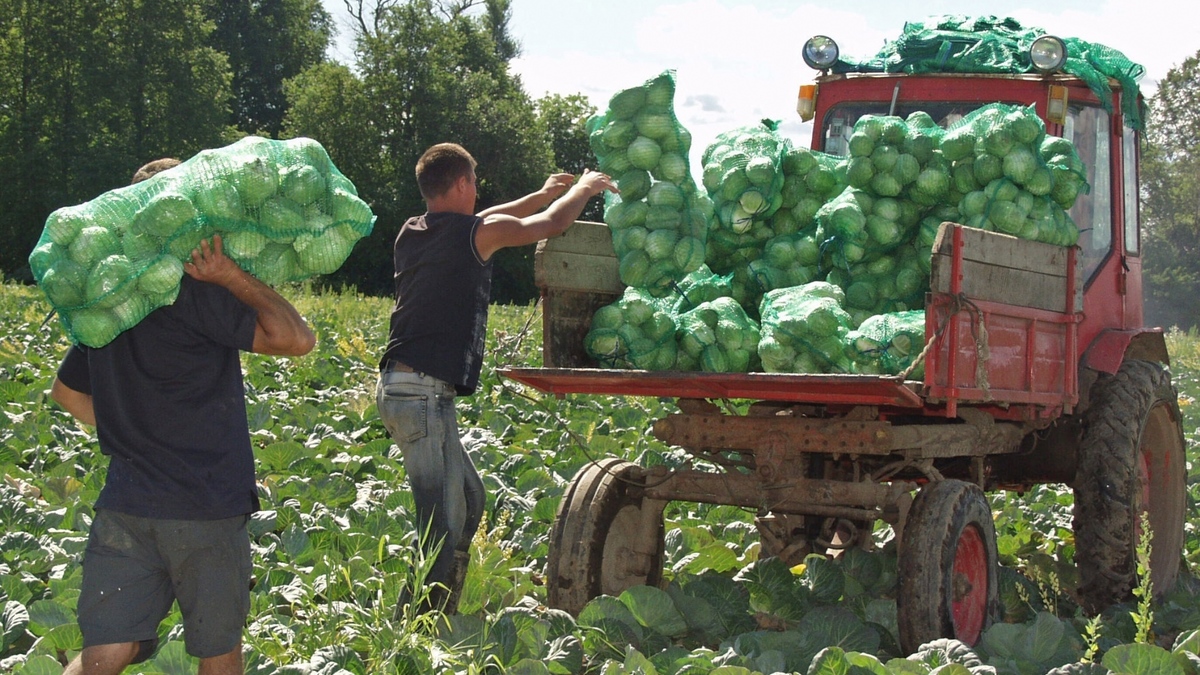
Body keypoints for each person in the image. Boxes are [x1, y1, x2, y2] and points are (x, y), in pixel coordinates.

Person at [51, 158, 317, 675]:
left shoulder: (107, 301)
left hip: (127, 503)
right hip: (204, 505)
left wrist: (130, 437)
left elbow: (65, 392)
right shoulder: (193, 291)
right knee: (216, 649)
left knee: (107, 649)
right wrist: (234, 276)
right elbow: (297, 338)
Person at [377, 143, 616, 613]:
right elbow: (547, 226)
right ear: (464, 184)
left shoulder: (414, 230)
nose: (478, 191)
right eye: (475, 181)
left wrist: (540, 192)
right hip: (419, 391)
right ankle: (421, 622)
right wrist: (584, 190)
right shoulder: (476, 235)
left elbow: (490, 217)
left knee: (469, 498)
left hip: (412, 389)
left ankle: (441, 602)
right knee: (441, 520)